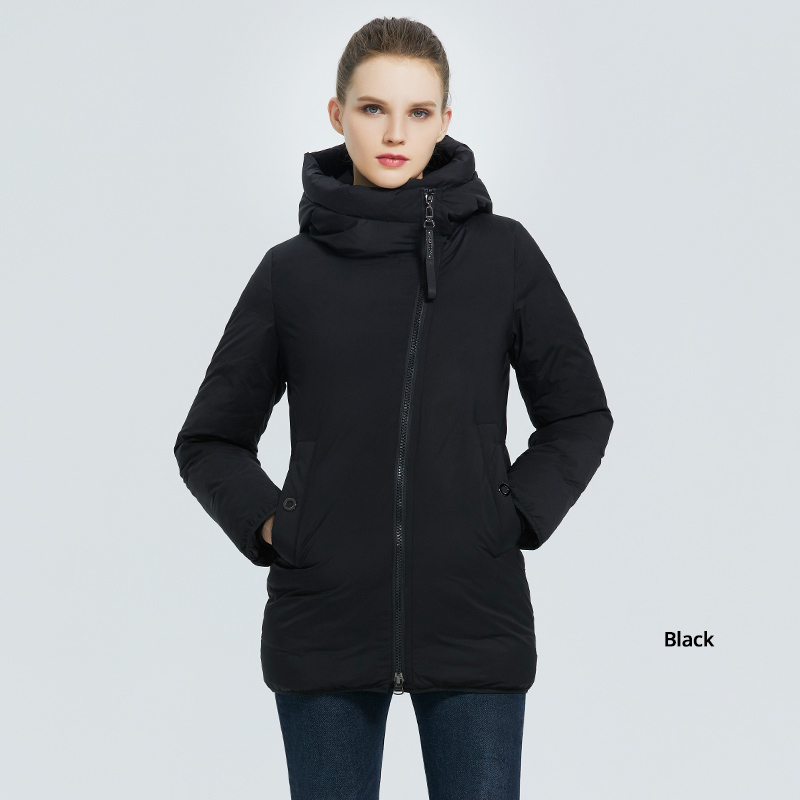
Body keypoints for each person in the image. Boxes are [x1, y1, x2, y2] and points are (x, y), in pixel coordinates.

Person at [174, 15, 613, 800]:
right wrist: (279, 526)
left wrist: (507, 515)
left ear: (445, 121)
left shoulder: (504, 254)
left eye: (418, 112)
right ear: (337, 114)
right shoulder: (289, 273)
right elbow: (210, 439)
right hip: (325, 622)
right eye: (373, 108)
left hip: (474, 618)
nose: (394, 133)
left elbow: (578, 413)